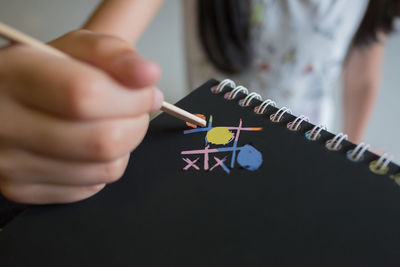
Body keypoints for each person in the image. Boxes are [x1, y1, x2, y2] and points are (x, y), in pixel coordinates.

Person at [0, 0, 399, 221]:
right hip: (205, 132)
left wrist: (352, 145)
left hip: (312, 131)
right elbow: (95, 52)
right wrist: (62, 91)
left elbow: (363, 77)